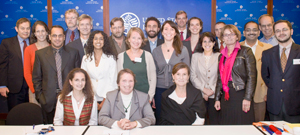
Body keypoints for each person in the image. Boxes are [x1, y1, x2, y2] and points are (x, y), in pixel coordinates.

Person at [32, 25, 81, 124]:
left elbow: (78, 76)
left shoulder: (73, 53)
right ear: (49, 37)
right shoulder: (40, 54)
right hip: (48, 100)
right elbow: (37, 78)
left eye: (60, 36)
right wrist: (41, 98)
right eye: (54, 36)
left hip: (69, 98)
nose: (57, 39)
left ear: (64, 37)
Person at [214, 25, 257, 125]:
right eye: (226, 35)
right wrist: (217, 99)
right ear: (222, 38)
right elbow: (219, 79)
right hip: (226, 95)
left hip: (241, 94)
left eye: (232, 34)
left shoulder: (246, 51)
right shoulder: (221, 56)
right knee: (227, 125)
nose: (229, 37)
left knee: (242, 125)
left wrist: (247, 97)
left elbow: (252, 77)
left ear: (237, 36)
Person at [261, 20, 300, 123]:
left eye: (284, 29)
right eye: (278, 31)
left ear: (291, 31)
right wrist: (277, 86)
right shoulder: (267, 53)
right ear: (275, 34)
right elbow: (265, 76)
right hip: (274, 104)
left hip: (296, 104)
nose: (281, 33)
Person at [152, 20, 190, 123]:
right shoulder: (156, 51)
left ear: (175, 32)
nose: (169, 31)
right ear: (162, 32)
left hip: (178, 89)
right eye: (166, 29)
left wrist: (185, 91)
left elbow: (187, 73)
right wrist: (152, 94)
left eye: (172, 29)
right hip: (159, 91)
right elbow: (153, 74)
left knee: (177, 118)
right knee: (161, 118)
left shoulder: (183, 50)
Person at [240, 21, 273, 122]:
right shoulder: (236, 48)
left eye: (254, 30)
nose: (251, 32)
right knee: (242, 125)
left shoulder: (269, 49)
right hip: (241, 95)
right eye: (248, 30)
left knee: (259, 124)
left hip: (261, 94)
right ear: (244, 33)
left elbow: (272, 74)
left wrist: (268, 92)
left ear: (259, 33)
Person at [81, 30, 118, 111]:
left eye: (101, 39)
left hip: (107, 99)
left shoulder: (111, 59)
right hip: (90, 98)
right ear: (92, 41)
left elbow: (113, 81)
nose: (98, 41)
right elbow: (83, 80)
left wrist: (104, 102)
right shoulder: (85, 59)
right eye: (96, 39)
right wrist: (92, 99)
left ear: (104, 41)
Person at [117, 27, 156, 102]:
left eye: (139, 38)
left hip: (144, 97)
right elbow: (118, 79)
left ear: (142, 40)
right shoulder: (121, 56)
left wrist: (150, 96)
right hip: (126, 97)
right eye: (133, 38)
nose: (136, 41)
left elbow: (153, 78)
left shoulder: (148, 56)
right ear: (128, 39)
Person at [0, 18, 31, 111]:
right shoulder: (7, 43)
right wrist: (2, 85)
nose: (25, 31)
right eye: (22, 28)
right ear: (16, 29)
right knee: (16, 115)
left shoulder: (34, 43)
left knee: (30, 114)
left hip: (31, 87)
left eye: (28, 28)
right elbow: (2, 65)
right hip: (14, 88)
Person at [190, 32, 220, 125]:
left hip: (215, 96)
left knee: (214, 122)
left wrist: (211, 90)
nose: (207, 44)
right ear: (201, 43)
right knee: (200, 123)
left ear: (214, 43)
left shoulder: (220, 56)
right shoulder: (195, 56)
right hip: (199, 95)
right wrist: (204, 90)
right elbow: (193, 76)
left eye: (210, 41)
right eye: (205, 41)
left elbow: (221, 77)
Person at [24, 21, 50, 105]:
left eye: (43, 31)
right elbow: (27, 73)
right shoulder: (29, 49)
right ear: (34, 33)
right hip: (35, 90)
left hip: (50, 90)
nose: (40, 34)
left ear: (47, 32)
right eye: (38, 31)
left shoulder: (53, 48)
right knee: (36, 115)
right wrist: (35, 90)